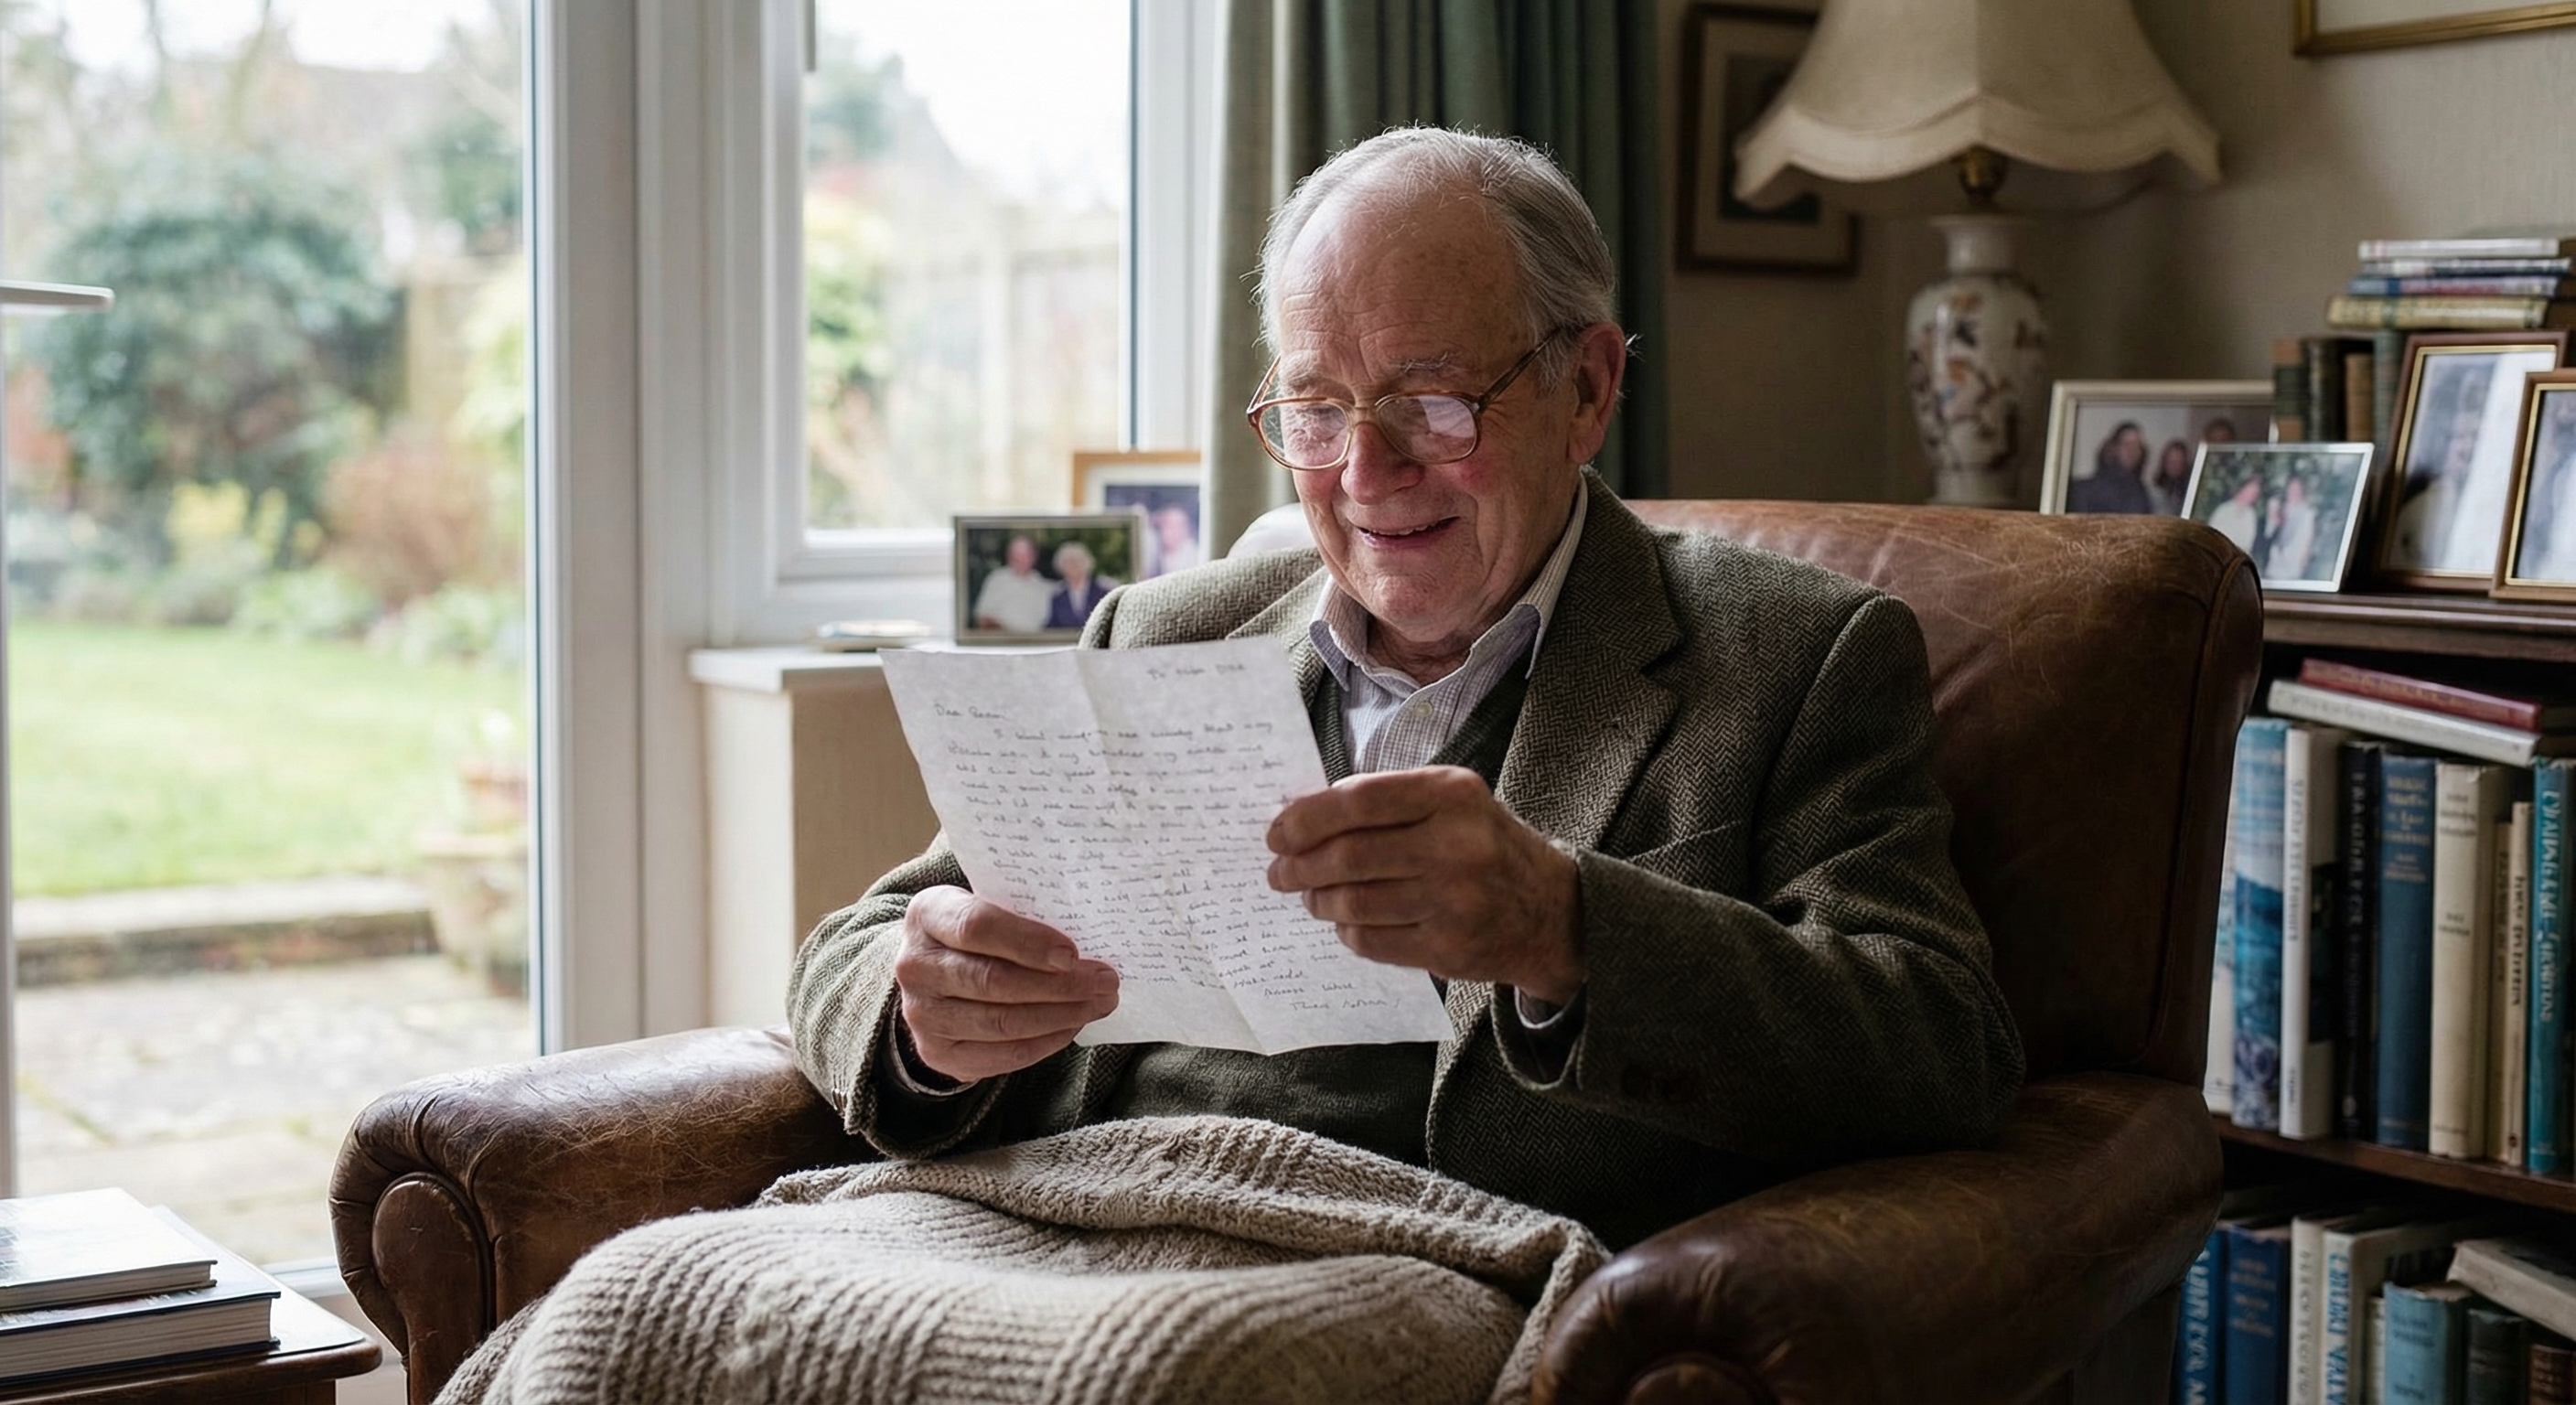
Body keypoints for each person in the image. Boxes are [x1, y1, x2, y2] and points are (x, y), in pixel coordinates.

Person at [790, 126, 2023, 1250]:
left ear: (1587, 389)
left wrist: (1568, 929)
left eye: (1433, 405)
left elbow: (1944, 1042)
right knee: (634, 1313)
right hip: (1062, 1218)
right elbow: (852, 951)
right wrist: (926, 1025)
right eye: (1317, 411)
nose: (1365, 472)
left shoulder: (1795, 657)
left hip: (1414, 1261)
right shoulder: (1158, 637)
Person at [971, 534, 1055, 634]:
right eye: (1015, 555)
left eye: (1025, 555)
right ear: (1008, 556)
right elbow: (982, 618)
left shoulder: (1042, 585)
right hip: (1003, 641)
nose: (1019, 560)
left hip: (1034, 643)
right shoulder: (997, 579)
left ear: (1034, 557)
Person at [2068, 422, 2153, 514]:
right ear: (2114, 448)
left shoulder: (2141, 492)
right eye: (2127, 444)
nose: (2132, 450)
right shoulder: (2083, 490)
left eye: (2137, 446)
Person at [1043, 541, 1117, 630]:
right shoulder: (1057, 597)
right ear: (1061, 566)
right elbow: (1052, 627)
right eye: (1068, 561)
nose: (1073, 564)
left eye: (1077, 560)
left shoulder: (1103, 591)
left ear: (1087, 563)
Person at [2265, 473, 2319, 581]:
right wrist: (2272, 516)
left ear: (2302, 490)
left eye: (2298, 488)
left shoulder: (2308, 513)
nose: (2294, 491)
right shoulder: (2279, 508)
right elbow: (2268, 534)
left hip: (2294, 563)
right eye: (2292, 487)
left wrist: (2302, 562)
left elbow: (2308, 540)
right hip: (2275, 561)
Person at [1148, 500, 1203, 576]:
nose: (1173, 531)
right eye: (1169, 525)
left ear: (1187, 530)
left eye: (1178, 526)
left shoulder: (1195, 556)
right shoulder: (1153, 552)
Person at [2148, 439, 2194, 516]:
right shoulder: (2155, 490)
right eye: (2171, 462)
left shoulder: (2189, 491)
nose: (2174, 466)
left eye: (2178, 462)